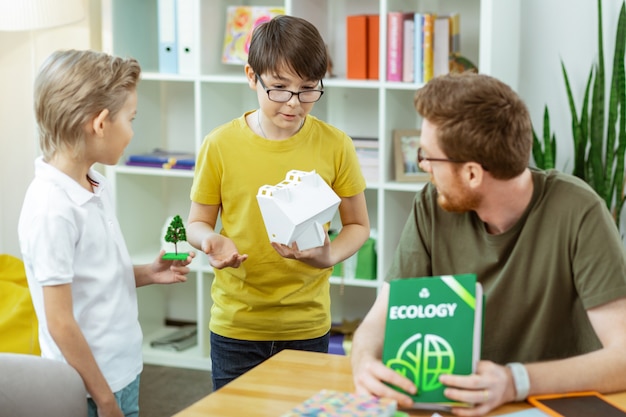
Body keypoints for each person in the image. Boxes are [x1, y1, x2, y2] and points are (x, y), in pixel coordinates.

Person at [350, 72, 626, 416]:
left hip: (551, 407)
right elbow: (381, 318)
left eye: (428, 157)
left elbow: (623, 357)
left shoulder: (580, 211)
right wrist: (363, 360)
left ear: (471, 174)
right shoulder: (431, 205)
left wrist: (514, 381)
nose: (423, 167)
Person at [186, 15, 370, 390]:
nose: (294, 103)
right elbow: (196, 223)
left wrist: (329, 255)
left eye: (308, 89)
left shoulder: (336, 145)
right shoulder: (219, 145)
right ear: (252, 76)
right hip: (237, 324)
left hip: (307, 324)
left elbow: (358, 226)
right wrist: (210, 240)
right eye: (280, 88)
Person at [18, 49, 195, 417]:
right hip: (87, 390)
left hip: (121, 372)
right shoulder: (53, 210)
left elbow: (93, 280)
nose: (132, 132)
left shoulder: (94, 184)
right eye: (130, 119)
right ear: (100, 123)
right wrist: (104, 401)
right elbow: (60, 322)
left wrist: (147, 272)